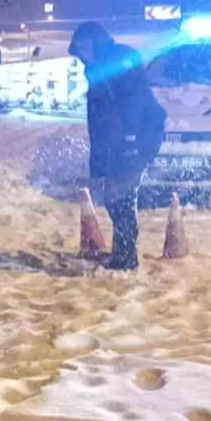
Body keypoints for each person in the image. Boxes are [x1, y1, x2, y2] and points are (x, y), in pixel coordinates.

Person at [68, 22, 166, 270]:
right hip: (118, 143)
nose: (83, 53)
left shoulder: (117, 62)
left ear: (97, 44)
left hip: (133, 140)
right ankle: (124, 254)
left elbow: (133, 101)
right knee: (116, 199)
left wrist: (130, 137)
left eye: (86, 47)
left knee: (120, 199)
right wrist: (98, 159)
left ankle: (126, 258)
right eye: (79, 48)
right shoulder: (96, 68)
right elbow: (100, 118)